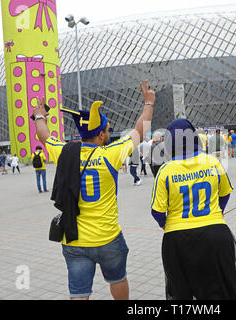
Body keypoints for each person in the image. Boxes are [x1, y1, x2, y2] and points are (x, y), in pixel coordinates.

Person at [33, 80, 154, 300]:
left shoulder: (64, 152)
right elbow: (140, 130)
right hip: (108, 237)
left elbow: (44, 136)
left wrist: (40, 115)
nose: (109, 133)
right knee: (118, 279)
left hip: (74, 239)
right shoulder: (111, 153)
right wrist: (148, 103)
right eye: (107, 130)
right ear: (100, 135)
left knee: (79, 293)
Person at [150, 118, 236, 300]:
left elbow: (157, 211)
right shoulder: (212, 162)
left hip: (177, 239)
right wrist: (217, 212)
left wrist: (168, 225)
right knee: (222, 290)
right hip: (215, 234)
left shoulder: (165, 170)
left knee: (182, 292)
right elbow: (225, 193)